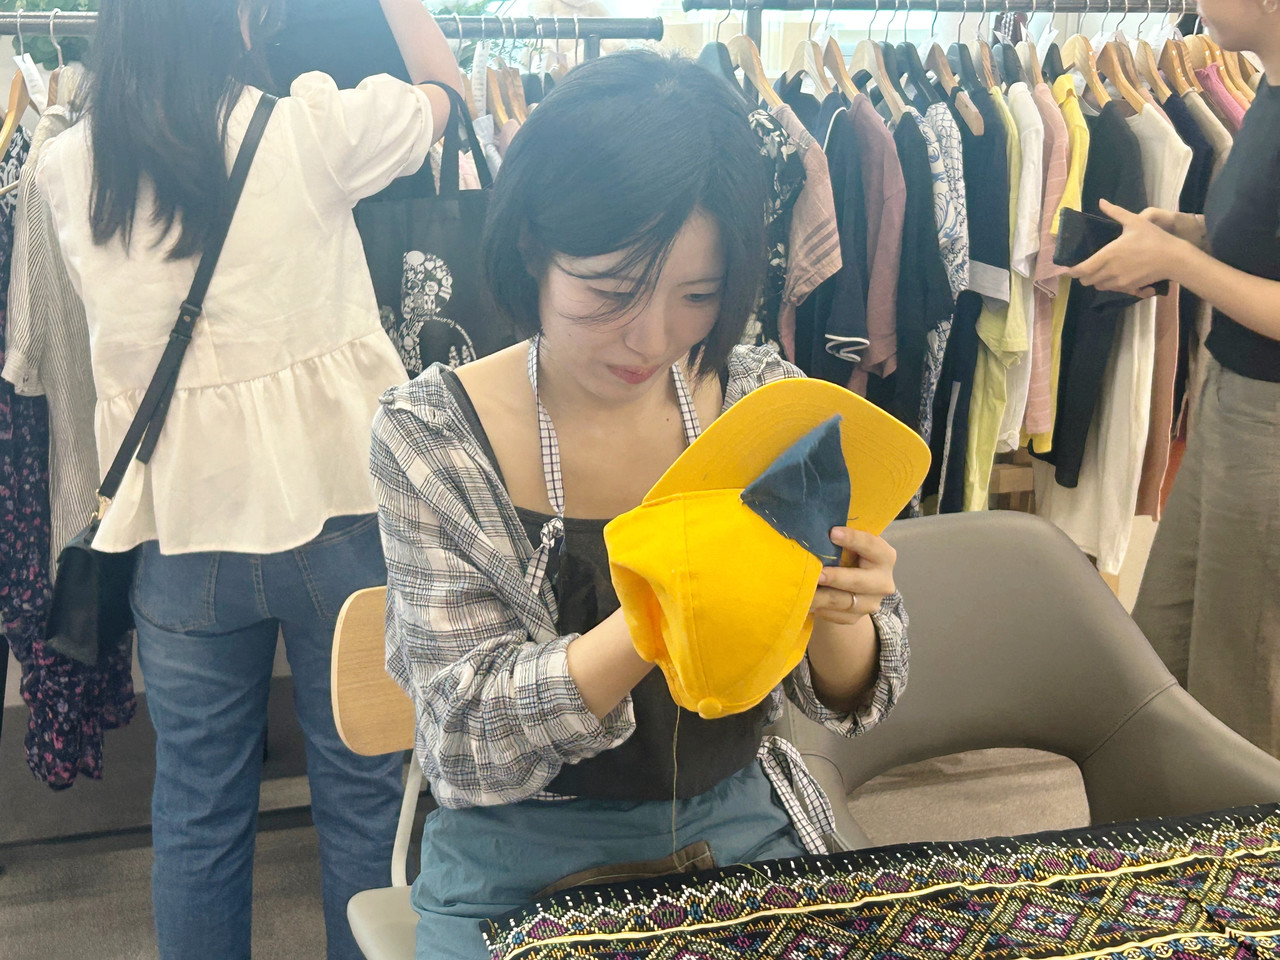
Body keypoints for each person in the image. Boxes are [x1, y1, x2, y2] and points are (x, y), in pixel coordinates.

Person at [369, 51, 911, 960]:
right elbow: (462, 744)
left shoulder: (759, 401)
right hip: (517, 854)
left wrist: (843, 614)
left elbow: (852, 699)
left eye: (698, 296)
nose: (652, 338)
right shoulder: (433, 436)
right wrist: (653, 616)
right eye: (611, 292)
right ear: (534, 248)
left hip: (737, 825)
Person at [39, 1, 462, 957]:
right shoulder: (309, 130)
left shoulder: (68, 169)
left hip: (181, 535)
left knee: (196, 805)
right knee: (364, 794)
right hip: (341, 521)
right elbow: (446, 91)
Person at [1068, 0, 1280, 757]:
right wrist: (1185, 230)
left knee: (1240, 680)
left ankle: (1244, 834)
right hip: (1229, 397)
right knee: (1163, 647)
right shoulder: (1267, 88)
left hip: (1269, 426)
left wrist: (1178, 261)